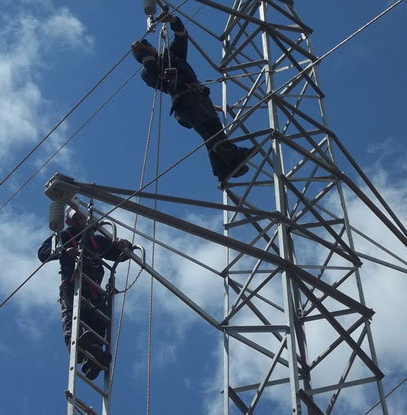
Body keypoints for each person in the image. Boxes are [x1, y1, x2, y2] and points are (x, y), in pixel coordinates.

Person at [131, 11, 250, 182]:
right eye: (144, 47)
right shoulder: (146, 71)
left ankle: (222, 168)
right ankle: (232, 156)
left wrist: (173, 21)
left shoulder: (171, 55)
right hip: (186, 102)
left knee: (210, 134)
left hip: (198, 98)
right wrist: (142, 54)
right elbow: (155, 73)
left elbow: (181, 37)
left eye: (147, 45)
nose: (148, 47)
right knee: (212, 130)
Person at [38, 206, 131, 380]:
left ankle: (94, 356)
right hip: (73, 287)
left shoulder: (96, 240)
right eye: (75, 219)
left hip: (94, 292)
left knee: (99, 321)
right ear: (68, 222)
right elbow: (43, 253)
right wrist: (64, 252)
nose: (80, 221)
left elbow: (120, 254)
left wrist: (125, 245)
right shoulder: (64, 237)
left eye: (81, 217)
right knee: (72, 320)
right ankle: (80, 349)